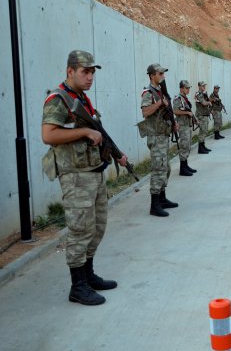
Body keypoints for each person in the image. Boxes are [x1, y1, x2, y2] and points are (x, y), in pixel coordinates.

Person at [42, 50, 127, 306]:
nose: (90, 77)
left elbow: (98, 131)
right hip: (76, 176)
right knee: (80, 230)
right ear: (70, 71)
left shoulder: (82, 99)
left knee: (97, 227)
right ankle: (77, 286)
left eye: (92, 72)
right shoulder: (58, 99)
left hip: (94, 173)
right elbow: (48, 135)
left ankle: (88, 275)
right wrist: (84, 131)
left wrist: (117, 154)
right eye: (85, 72)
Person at [141, 63, 179, 217]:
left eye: (163, 73)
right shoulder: (148, 93)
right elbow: (145, 112)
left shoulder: (162, 92)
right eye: (160, 73)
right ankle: (154, 204)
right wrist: (159, 103)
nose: (163, 75)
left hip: (164, 135)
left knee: (166, 169)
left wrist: (173, 124)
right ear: (152, 75)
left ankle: (162, 198)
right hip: (155, 137)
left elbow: (166, 112)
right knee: (158, 169)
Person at [173, 80, 198, 176]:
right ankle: (182, 169)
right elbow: (175, 111)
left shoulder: (184, 99)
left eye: (188, 88)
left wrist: (193, 118)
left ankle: (186, 166)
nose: (188, 90)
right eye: (186, 88)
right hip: (182, 126)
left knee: (187, 146)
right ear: (181, 88)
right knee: (184, 146)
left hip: (187, 125)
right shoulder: (178, 98)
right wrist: (187, 113)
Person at [194, 81, 213, 154]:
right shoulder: (198, 94)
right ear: (199, 86)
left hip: (204, 115)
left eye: (204, 86)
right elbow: (204, 103)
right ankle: (200, 149)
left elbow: (205, 105)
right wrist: (209, 102)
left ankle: (203, 146)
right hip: (201, 115)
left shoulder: (203, 94)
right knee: (202, 131)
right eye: (202, 86)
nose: (204, 87)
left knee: (204, 131)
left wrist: (209, 110)